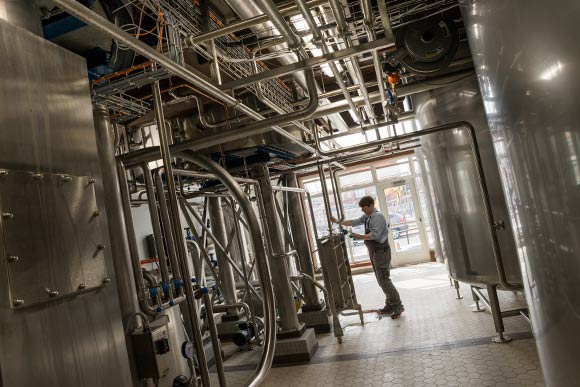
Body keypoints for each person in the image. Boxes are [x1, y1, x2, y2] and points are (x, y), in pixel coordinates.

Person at [331, 196, 404, 319]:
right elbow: (354, 222)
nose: (362, 211)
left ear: (370, 205)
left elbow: (375, 235)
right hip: (375, 252)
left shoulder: (378, 217)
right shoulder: (368, 217)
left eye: (364, 208)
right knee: (381, 280)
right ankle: (390, 304)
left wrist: (359, 237)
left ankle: (398, 306)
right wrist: (338, 221)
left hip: (381, 252)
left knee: (384, 280)